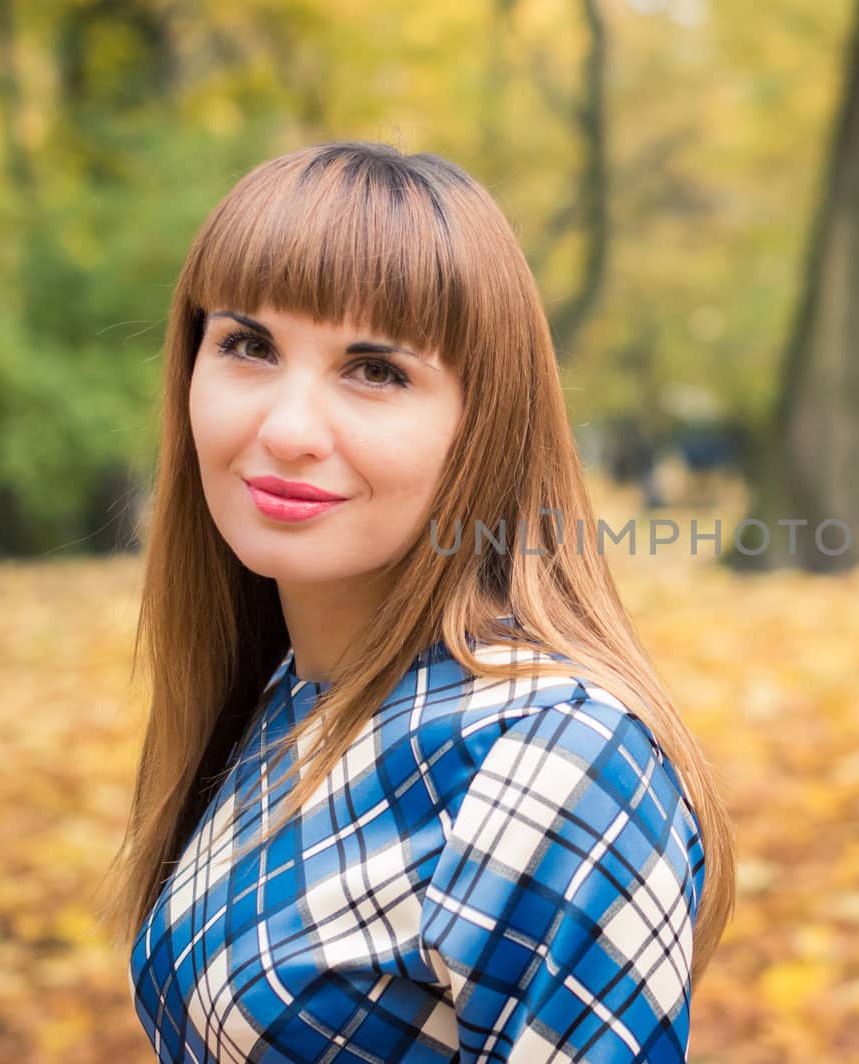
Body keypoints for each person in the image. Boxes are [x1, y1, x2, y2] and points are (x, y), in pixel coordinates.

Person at [95, 142, 736, 1063]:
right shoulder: (287, 690)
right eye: (248, 345)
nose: (286, 429)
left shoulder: (550, 759)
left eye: (376, 371)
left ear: (484, 425)